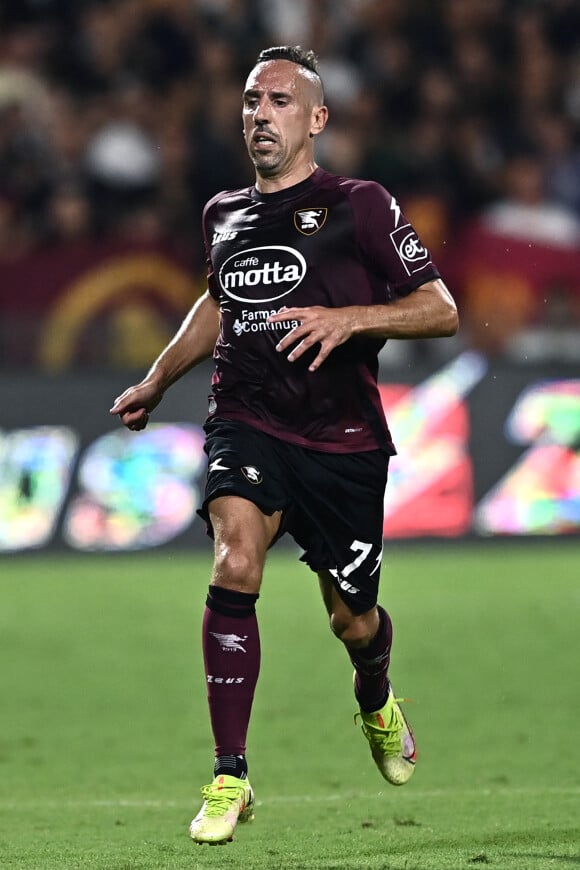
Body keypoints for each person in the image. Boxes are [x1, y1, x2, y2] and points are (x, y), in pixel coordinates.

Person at [110, 45, 458, 846]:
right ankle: (231, 772)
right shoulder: (222, 213)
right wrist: (159, 379)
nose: (258, 115)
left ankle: (375, 691)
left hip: (342, 442)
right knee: (235, 557)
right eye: (250, 102)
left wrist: (350, 319)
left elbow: (439, 308)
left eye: (277, 101)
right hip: (249, 415)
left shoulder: (361, 204)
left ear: (316, 119)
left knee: (353, 619)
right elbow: (217, 300)